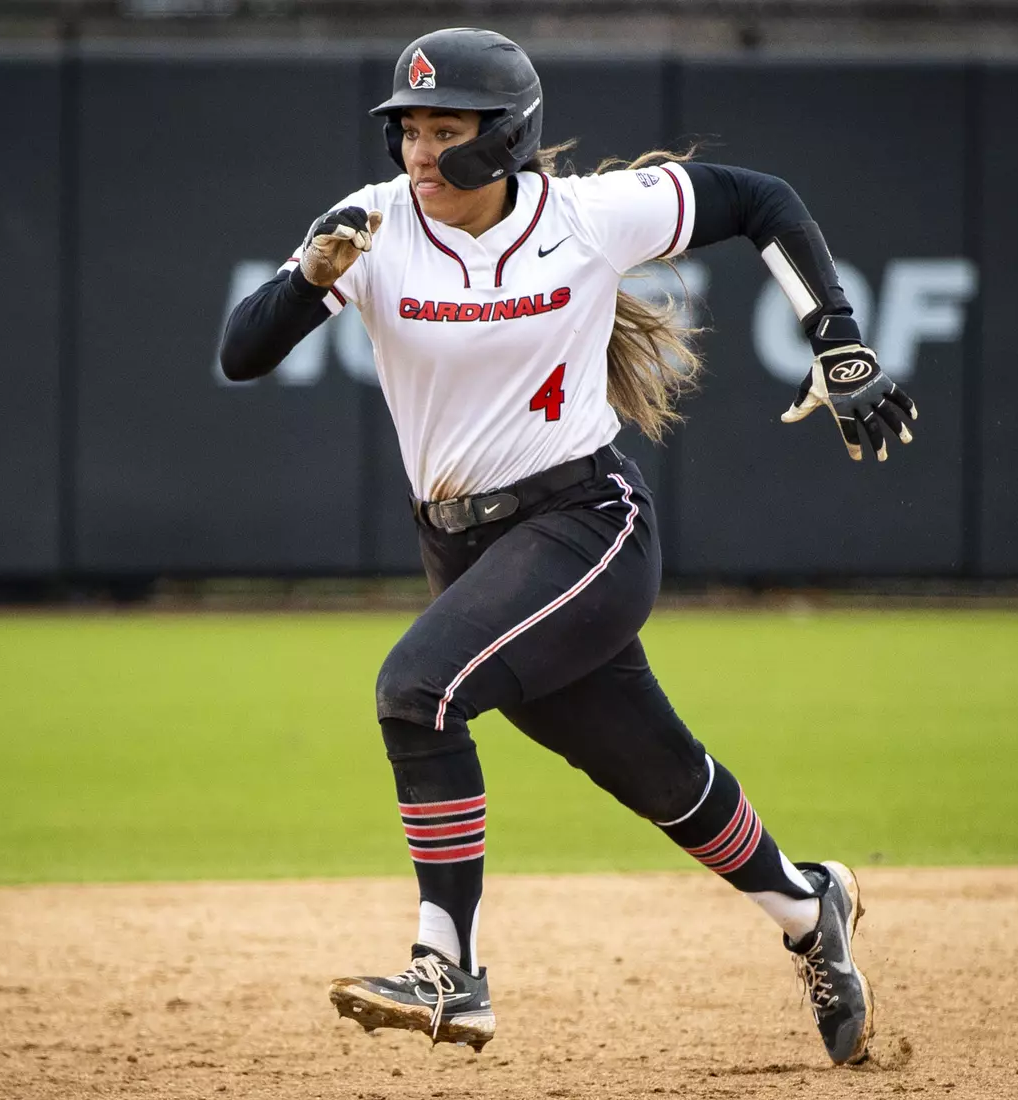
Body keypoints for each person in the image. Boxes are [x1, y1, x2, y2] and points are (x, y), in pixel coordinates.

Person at [220, 26, 916, 1068]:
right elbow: (242, 354)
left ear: (503, 139)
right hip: (466, 552)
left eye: (444, 128)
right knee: (659, 773)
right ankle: (809, 906)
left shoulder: (582, 218)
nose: (418, 151)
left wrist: (839, 336)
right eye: (407, 128)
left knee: (417, 688)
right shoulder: (371, 227)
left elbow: (760, 197)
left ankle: (445, 964)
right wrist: (302, 277)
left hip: (584, 524)